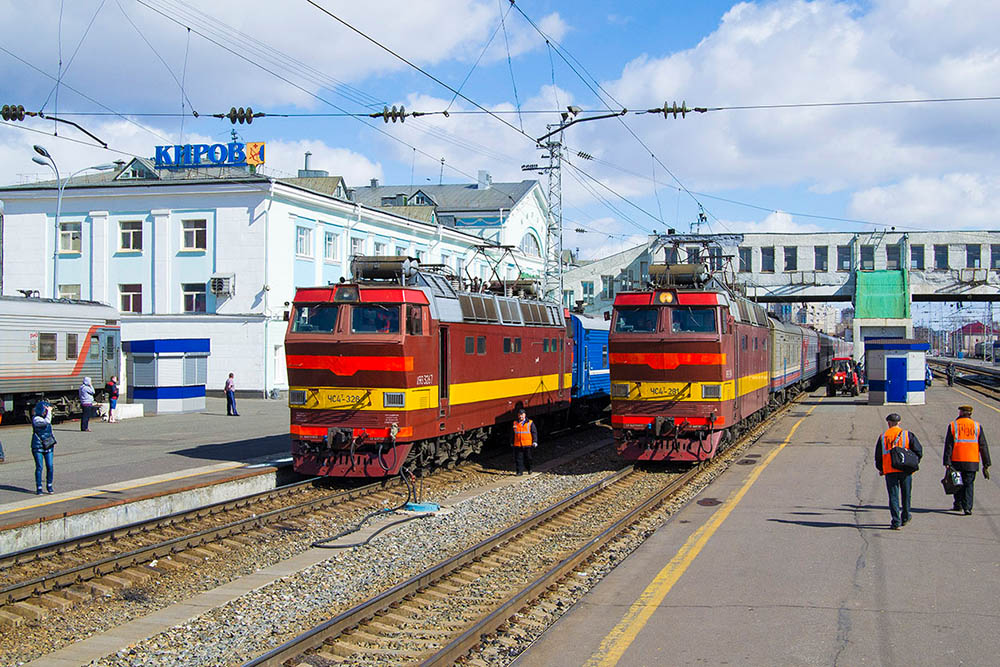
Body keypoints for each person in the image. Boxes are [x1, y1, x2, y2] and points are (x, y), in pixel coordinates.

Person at [874, 413, 923, 530]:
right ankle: (905, 516)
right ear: (899, 422)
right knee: (906, 494)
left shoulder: (883, 436)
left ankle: (896, 521)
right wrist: (914, 464)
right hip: (906, 470)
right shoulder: (907, 435)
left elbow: (878, 456)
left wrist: (881, 469)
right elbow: (918, 450)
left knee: (893, 496)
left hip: (890, 470)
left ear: (889, 423)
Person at [943, 405, 991, 515]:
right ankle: (968, 507)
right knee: (969, 484)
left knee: (957, 482)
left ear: (960, 413)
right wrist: (986, 463)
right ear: (970, 414)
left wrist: (947, 461)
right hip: (972, 461)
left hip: (956, 460)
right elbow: (983, 445)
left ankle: (958, 504)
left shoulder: (953, 425)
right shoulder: (977, 426)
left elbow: (949, 445)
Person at [31, 401, 55, 495]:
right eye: (45, 410)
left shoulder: (45, 416)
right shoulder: (36, 419)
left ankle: (49, 485)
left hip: (48, 445)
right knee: (39, 467)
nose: (46, 412)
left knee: (50, 466)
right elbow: (47, 422)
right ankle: (39, 487)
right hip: (38, 446)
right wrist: (49, 411)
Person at [511, 408, 538, 475]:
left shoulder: (530, 423)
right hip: (518, 444)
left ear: (525, 415)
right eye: (519, 415)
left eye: (522, 415)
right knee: (518, 459)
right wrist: (511, 442)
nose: (521, 416)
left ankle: (529, 468)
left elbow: (534, 432)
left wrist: (535, 441)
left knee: (528, 458)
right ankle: (519, 472)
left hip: (527, 444)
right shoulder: (515, 423)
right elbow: (512, 434)